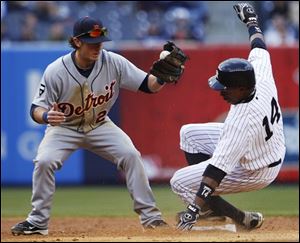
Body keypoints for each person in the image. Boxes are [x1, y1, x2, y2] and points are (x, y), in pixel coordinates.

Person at [11, 16, 187, 235]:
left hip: (100, 124)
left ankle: (151, 218)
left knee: (131, 155)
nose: (97, 47)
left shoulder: (113, 62)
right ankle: (37, 222)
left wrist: (161, 78)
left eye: (100, 42)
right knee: (45, 161)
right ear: (76, 42)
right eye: (92, 43)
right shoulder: (56, 70)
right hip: (64, 128)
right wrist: (46, 116)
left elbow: (148, 85)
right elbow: (35, 109)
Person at [170, 3, 286, 231]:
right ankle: (215, 211)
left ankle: (225, 219)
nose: (221, 91)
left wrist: (193, 207)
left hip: (257, 169)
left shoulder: (241, 122)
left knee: (179, 182)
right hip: (267, 144)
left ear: (241, 88)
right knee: (189, 134)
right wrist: (251, 21)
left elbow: (215, 171)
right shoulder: (259, 74)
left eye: (225, 87)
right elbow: (259, 45)